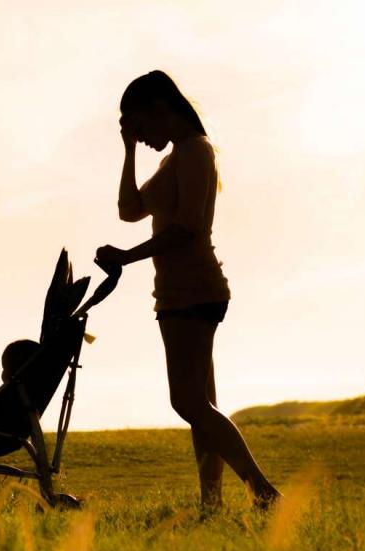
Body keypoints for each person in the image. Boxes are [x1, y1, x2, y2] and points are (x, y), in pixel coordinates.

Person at [95, 70, 282, 513]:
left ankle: (262, 490)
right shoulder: (171, 159)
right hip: (176, 292)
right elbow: (128, 210)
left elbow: (190, 228)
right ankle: (212, 505)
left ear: (162, 108)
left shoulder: (196, 151)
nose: (140, 139)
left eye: (140, 128)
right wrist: (126, 151)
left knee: (187, 401)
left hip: (195, 289)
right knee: (202, 406)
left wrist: (125, 257)